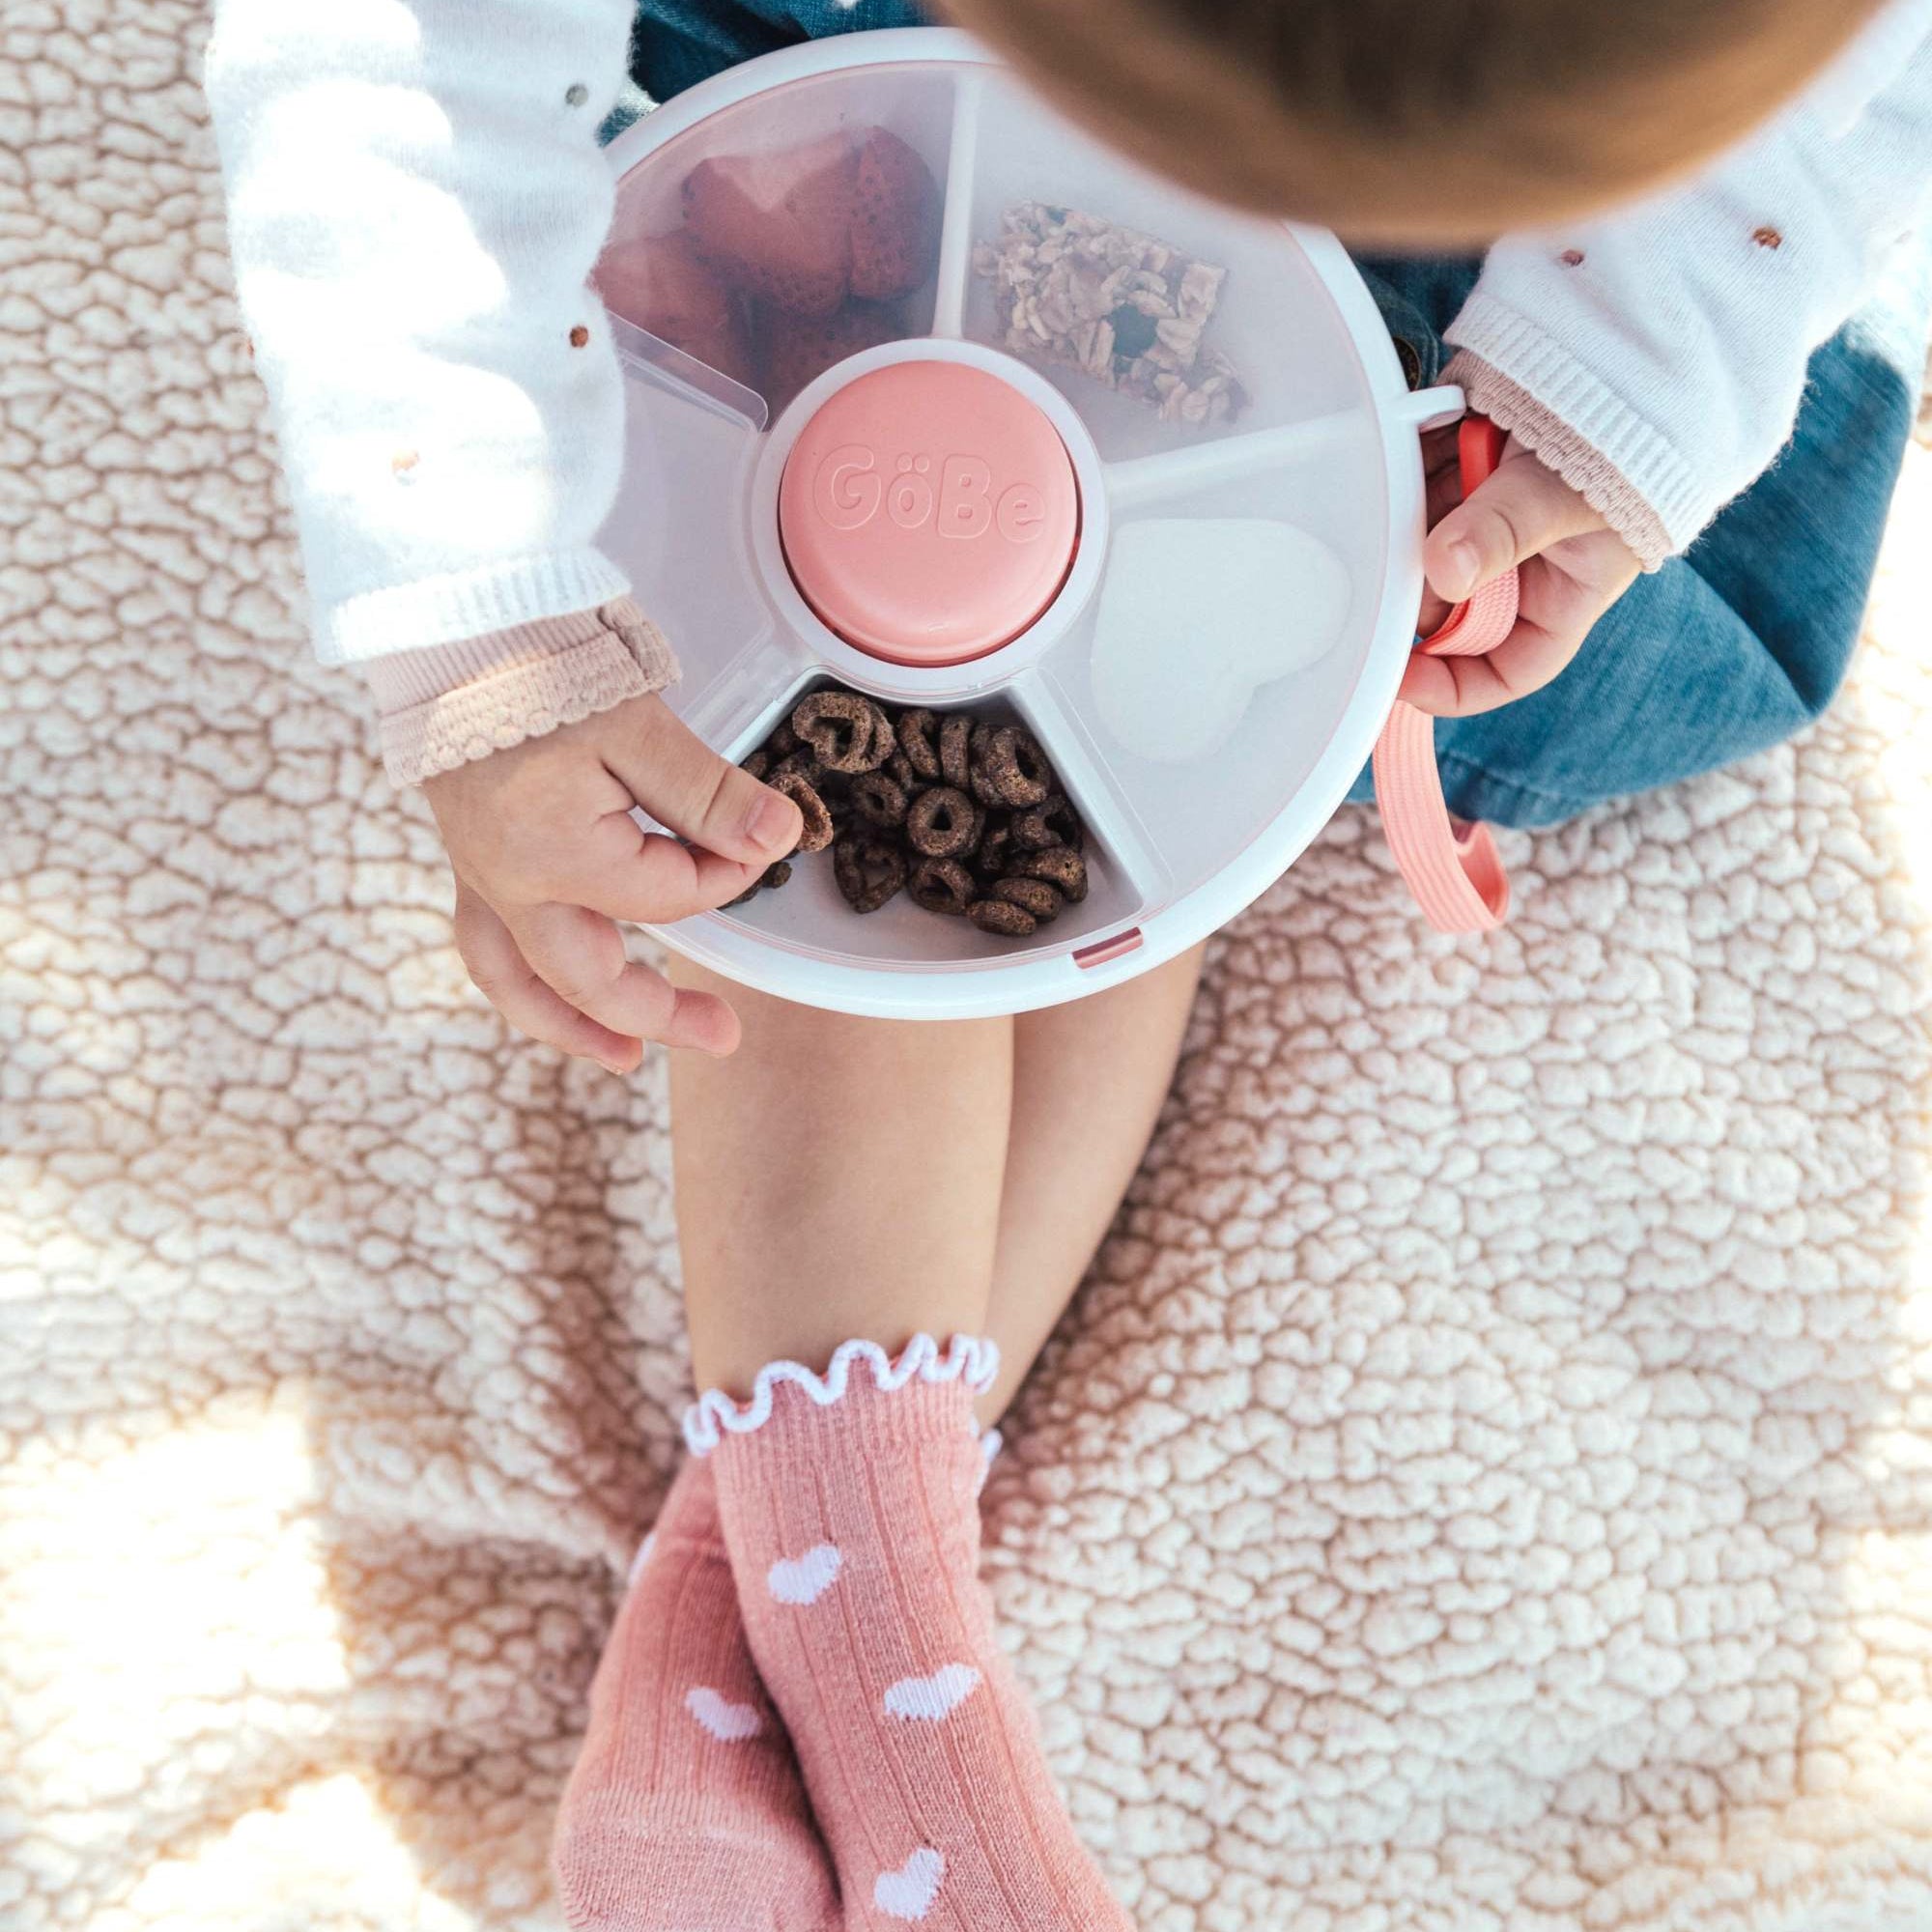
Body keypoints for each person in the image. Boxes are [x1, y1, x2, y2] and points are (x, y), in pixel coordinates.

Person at [202, 0, 1932, 1923]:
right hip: (898, 121)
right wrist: (480, 625)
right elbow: (399, 61)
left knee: (1131, 706)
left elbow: (1849, 80)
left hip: (1595, 261)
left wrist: (1625, 364)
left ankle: (770, 1617)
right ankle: (880, 1678)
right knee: (868, 603)